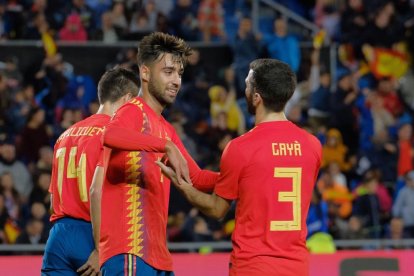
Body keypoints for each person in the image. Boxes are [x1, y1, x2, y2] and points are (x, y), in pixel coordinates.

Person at [158, 59, 322, 276]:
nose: (244, 89)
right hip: (296, 266)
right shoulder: (312, 145)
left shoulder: (240, 148)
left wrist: (182, 185)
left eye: (247, 84)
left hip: (252, 266)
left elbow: (217, 210)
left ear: (256, 97)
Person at [96, 32, 218, 275]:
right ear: (145, 73)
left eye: (179, 74)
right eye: (168, 72)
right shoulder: (132, 110)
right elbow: (109, 135)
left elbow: (197, 178)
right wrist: (165, 146)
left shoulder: (166, 128)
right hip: (129, 252)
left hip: (157, 256)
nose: (176, 81)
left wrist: (242, 174)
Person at [41, 67, 140, 275]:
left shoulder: (64, 135)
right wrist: (99, 248)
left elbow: (52, 202)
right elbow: (100, 194)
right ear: (128, 99)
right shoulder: (114, 137)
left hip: (58, 235)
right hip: (93, 235)